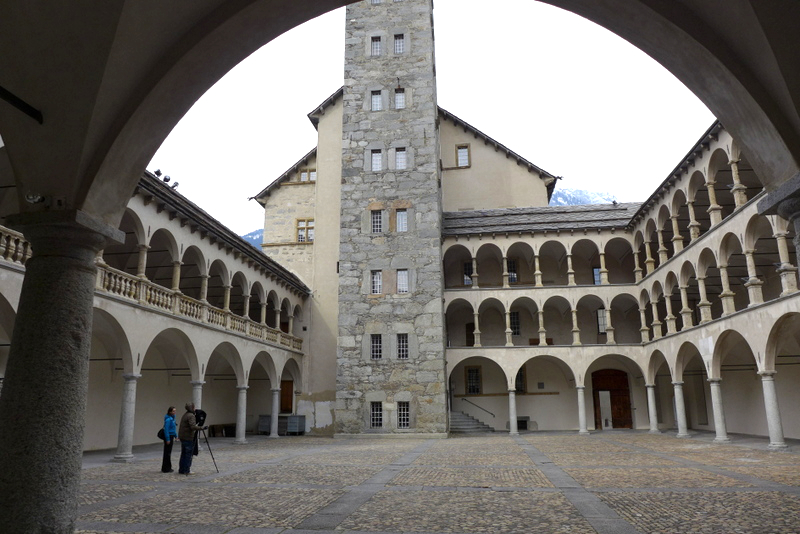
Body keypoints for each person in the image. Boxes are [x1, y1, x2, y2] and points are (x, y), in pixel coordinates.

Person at [178, 402, 206, 475]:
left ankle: (182, 469)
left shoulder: (185, 414)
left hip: (183, 436)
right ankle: (186, 469)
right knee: (188, 454)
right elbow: (192, 426)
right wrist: (201, 428)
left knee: (183, 453)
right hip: (188, 437)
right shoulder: (191, 416)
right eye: (194, 407)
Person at [161, 406, 177, 473]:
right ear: (170, 412)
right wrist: (167, 439)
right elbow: (166, 430)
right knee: (167, 452)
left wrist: (176, 436)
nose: (174, 412)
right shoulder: (168, 420)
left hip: (171, 435)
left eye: (175, 411)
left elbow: (173, 429)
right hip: (169, 436)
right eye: (173, 411)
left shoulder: (172, 419)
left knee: (168, 452)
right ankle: (166, 468)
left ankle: (168, 467)